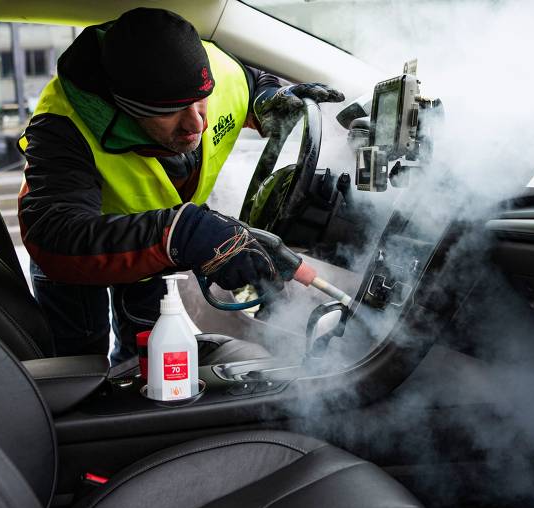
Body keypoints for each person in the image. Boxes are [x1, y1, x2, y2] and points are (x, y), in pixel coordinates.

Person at [17, 7, 344, 363]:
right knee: (80, 359)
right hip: (84, 252)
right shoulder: (62, 127)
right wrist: (183, 232)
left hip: (159, 247)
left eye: (200, 100)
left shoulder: (217, 74)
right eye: (169, 110)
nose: (197, 124)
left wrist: (267, 100)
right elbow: (55, 235)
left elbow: (252, 82)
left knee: (146, 352)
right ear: (125, 107)